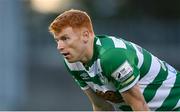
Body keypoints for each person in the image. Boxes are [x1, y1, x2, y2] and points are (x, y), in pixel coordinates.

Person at [48, 9, 180, 111]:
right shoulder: (73, 63)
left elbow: (139, 106)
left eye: (65, 38)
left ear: (85, 35)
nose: (59, 47)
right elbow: (101, 107)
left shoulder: (112, 56)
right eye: (57, 40)